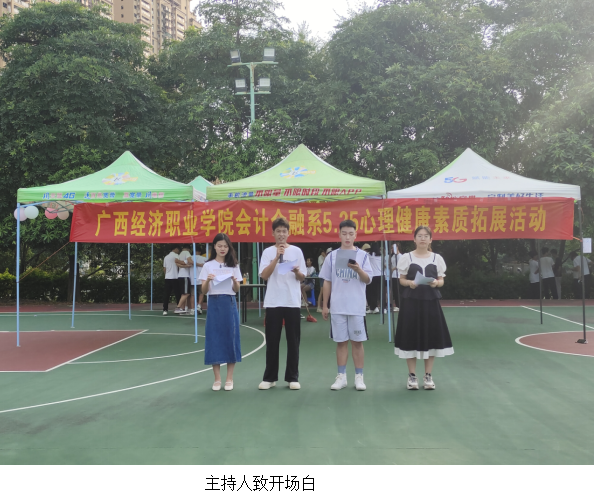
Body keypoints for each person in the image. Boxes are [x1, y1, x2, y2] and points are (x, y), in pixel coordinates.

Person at [395, 225, 453, 390]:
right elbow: (401, 280)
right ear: (414, 239)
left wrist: (436, 283)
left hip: (430, 302)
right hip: (411, 302)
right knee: (410, 335)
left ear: (430, 239)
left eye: (425, 236)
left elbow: (441, 281)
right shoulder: (406, 257)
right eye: (419, 236)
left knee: (431, 335)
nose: (422, 238)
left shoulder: (437, 258)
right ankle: (412, 376)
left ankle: (428, 376)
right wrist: (410, 283)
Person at [321, 220, 373, 391]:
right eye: (344, 233)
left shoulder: (363, 256)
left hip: (356, 306)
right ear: (339, 234)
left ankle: (359, 377)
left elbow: (368, 279)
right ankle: (341, 377)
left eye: (351, 233)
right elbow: (327, 281)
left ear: (355, 235)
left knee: (357, 342)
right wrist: (325, 305)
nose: (347, 237)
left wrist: (358, 270)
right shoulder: (332, 256)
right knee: (341, 342)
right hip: (338, 306)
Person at [258, 217, 306, 390]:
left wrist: (297, 271)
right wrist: (277, 258)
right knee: (272, 341)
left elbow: (302, 277)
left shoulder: (297, 251)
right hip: (273, 301)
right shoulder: (268, 252)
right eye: (278, 231)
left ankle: (292, 377)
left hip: (292, 301)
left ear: (288, 233)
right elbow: (264, 275)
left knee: (293, 341)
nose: (281, 234)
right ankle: (270, 378)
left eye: (284, 231)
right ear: (273, 233)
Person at [199, 233, 242, 391]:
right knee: (214, 338)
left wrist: (234, 281)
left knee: (231, 337)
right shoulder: (208, 265)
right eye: (219, 246)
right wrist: (209, 280)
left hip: (229, 302)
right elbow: (204, 290)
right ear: (214, 247)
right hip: (214, 302)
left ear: (229, 248)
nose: (222, 249)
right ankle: (217, 379)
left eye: (225, 246)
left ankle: (229, 378)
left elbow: (236, 289)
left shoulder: (234, 265)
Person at [162, 245, 181, 315]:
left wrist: (166, 275)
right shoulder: (177, 256)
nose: (178, 251)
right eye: (178, 250)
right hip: (175, 277)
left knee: (166, 295)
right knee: (177, 294)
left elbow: (164, 268)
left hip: (167, 278)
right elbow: (179, 266)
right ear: (175, 249)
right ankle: (179, 308)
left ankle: (165, 310)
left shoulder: (166, 257)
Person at [174, 244, 193, 314]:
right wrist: (196, 263)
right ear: (189, 249)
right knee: (186, 293)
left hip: (180, 276)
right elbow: (190, 261)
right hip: (185, 276)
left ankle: (182, 308)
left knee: (183, 293)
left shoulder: (179, 255)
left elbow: (177, 263)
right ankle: (178, 307)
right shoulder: (186, 252)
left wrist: (184, 264)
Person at [364, 243, 381, 314]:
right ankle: (376, 307)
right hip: (380, 275)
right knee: (378, 292)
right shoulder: (381, 256)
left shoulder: (369, 255)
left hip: (373, 276)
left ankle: (373, 307)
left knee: (370, 292)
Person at [189, 246, 206, 314]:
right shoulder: (203, 258)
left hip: (192, 278)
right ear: (199, 252)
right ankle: (199, 306)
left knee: (192, 295)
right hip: (201, 278)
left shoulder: (190, 258)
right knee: (201, 293)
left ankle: (192, 309)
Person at [317, 247, 332, 313]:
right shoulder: (320, 257)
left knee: (329, 291)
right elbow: (323, 264)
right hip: (322, 276)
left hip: (328, 276)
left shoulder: (329, 258)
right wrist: (326, 257)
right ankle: (319, 307)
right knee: (322, 291)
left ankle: (330, 307)